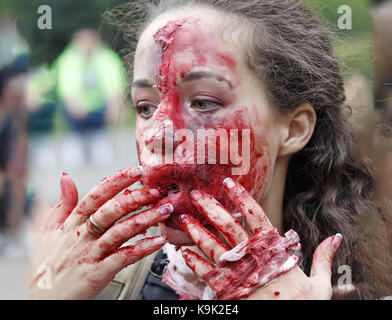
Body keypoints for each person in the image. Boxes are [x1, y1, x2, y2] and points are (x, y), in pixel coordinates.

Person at [27, 0, 392, 300]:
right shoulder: (95, 289)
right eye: (145, 107)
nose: (159, 132)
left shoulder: (356, 291)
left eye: (202, 102)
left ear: (294, 130)